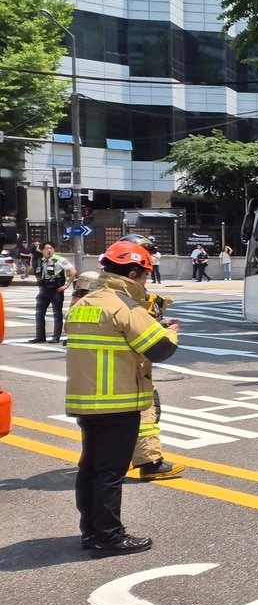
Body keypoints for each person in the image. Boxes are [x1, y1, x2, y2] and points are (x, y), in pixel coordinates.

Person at [65, 240, 179, 557]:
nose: (146, 281)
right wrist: (169, 330)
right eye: (144, 275)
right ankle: (109, 537)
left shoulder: (84, 303)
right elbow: (160, 348)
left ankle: (90, 532)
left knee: (90, 468)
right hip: (119, 401)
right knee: (111, 473)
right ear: (132, 272)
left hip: (86, 401)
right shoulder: (123, 306)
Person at [112, 235, 186, 481]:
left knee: (106, 417)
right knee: (145, 408)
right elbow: (134, 322)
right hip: (128, 364)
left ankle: (104, 457)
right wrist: (165, 331)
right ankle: (149, 462)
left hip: (105, 364)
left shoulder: (104, 287)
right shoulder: (123, 293)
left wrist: (156, 315)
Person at [31, 241, 76, 343]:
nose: (49, 250)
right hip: (44, 290)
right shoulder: (41, 261)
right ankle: (40, 336)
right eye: (46, 248)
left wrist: (67, 285)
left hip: (56, 290)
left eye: (51, 248)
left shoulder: (59, 260)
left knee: (57, 314)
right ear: (42, 251)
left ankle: (56, 337)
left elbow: (72, 271)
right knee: (39, 314)